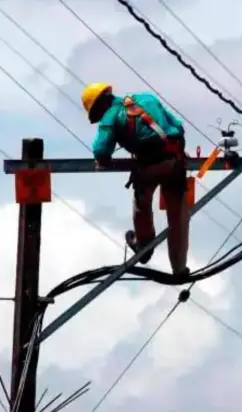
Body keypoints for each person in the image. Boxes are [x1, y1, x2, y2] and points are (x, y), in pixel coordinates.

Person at [81, 82, 190, 280]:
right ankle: (179, 269)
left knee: (142, 203)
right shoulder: (148, 98)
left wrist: (104, 161)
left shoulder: (110, 116)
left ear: (98, 107)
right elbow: (177, 125)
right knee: (178, 217)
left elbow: (101, 149)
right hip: (175, 160)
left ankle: (144, 246)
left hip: (148, 166)